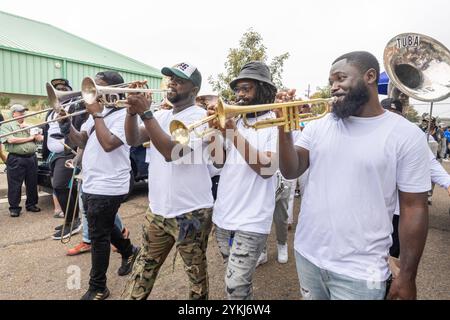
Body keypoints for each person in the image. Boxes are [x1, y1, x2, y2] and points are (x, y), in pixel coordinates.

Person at [278, 51, 430, 300]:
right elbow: (291, 169)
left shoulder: (406, 135)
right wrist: (283, 130)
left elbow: (414, 208)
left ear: (370, 76)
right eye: (331, 82)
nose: (334, 87)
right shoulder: (319, 125)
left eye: (340, 78)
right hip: (307, 256)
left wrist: (407, 276)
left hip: (361, 270)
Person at [121, 62, 213, 300]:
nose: (171, 83)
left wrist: (146, 113)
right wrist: (131, 112)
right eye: (170, 78)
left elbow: (171, 153)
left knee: (196, 278)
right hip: (158, 211)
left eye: (179, 80)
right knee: (142, 269)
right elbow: (132, 139)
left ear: (194, 90)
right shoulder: (161, 115)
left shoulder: (201, 118)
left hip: (191, 212)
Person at [61, 71, 139, 300]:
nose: (92, 92)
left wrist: (97, 115)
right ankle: (129, 251)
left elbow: (109, 144)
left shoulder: (126, 114)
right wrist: (67, 127)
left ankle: (98, 287)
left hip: (110, 183)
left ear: (114, 90)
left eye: (99, 87)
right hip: (91, 180)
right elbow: (83, 140)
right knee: (101, 226)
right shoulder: (99, 112)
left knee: (98, 236)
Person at [207, 61, 278, 300]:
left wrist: (232, 134)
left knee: (235, 286)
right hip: (224, 214)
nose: (240, 95)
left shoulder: (275, 121)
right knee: (234, 278)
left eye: (246, 88)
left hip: (252, 218)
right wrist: (215, 132)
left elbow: (266, 169)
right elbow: (218, 161)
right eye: (237, 90)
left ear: (262, 89)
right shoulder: (235, 120)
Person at [381, 98, 450, 258]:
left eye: (397, 115)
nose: (393, 119)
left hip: (398, 211)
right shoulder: (370, 133)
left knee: (391, 255)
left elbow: (429, 162)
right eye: (389, 114)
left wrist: (447, 182)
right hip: (372, 208)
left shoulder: (410, 135)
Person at [45, 78, 83, 240]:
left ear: (69, 90)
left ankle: (71, 222)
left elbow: (79, 129)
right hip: (54, 155)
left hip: (67, 152)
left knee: (60, 186)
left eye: (61, 88)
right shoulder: (50, 110)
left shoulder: (74, 106)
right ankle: (73, 219)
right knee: (68, 188)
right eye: (55, 89)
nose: (58, 91)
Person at [0, 104, 43, 217]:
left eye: (24, 112)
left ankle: (31, 204)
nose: (23, 114)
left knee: (32, 182)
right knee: (15, 184)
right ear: (13, 113)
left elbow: (39, 137)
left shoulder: (28, 125)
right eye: (20, 112)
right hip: (16, 158)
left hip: (31, 158)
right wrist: (30, 138)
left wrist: (30, 129)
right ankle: (14, 208)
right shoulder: (6, 125)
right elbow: (11, 139)